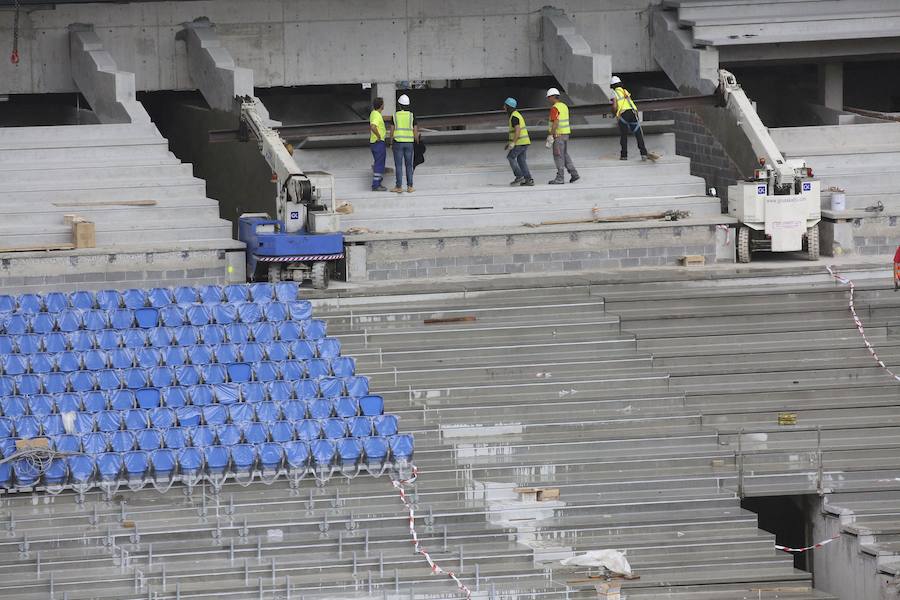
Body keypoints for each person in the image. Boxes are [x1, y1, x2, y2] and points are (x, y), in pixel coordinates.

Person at [610, 75, 649, 161]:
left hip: (623, 114)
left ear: (612, 86)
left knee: (624, 136)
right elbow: (630, 102)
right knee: (638, 134)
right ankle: (643, 154)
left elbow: (614, 106)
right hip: (633, 112)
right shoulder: (625, 91)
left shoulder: (614, 93)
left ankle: (624, 155)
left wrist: (614, 113)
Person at [546, 88, 579, 185]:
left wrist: (551, 135)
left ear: (552, 97)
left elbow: (556, 122)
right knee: (564, 155)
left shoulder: (554, 108)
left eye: (549, 97)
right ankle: (574, 174)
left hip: (558, 135)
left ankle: (560, 178)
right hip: (565, 134)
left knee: (558, 156)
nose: (548, 99)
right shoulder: (564, 106)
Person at [390, 94, 419, 193]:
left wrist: (390, 142)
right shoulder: (411, 116)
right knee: (409, 165)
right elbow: (415, 130)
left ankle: (399, 187)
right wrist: (417, 141)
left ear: (399, 105)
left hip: (398, 143)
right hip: (409, 143)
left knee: (398, 165)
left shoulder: (395, 116)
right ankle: (410, 187)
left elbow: (392, 130)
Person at [503, 97, 534, 186]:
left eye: (505, 106)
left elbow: (517, 130)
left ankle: (519, 176)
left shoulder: (514, 117)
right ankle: (528, 179)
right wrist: (510, 143)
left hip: (520, 143)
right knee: (521, 160)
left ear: (509, 107)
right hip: (524, 142)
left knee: (511, 157)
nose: (503, 107)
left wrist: (513, 143)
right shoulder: (516, 115)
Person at [369, 97, 387, 191]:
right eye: (383, 103)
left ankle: (378, 182)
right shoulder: (376, 115)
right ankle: (376, 185)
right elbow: (373, 127)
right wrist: (379, 136)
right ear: (381, 105)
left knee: (379, 163)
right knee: (379, 163)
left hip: (375, 142)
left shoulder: (374, 113)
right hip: (378, 142)